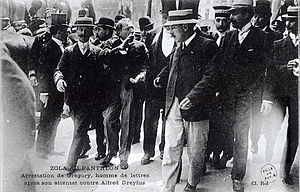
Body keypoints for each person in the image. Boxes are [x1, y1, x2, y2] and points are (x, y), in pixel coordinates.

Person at [155, 9, 218, 192]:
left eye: (172, 28)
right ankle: (168, 188)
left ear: (185, 26)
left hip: (196, 108)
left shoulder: (207, 46)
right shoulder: (178, 45)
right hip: (174, 105)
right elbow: (171, 66)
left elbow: (211, 77)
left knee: (196, 152)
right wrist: (160, 77)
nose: (169, 32)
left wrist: (193, 97)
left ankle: (192, 184)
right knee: (171, 150)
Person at [219, 0, 270, 191]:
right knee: (226, 128)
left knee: (242, 134)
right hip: (226, 94)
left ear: (246, 15)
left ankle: (237, 176)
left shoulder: (262, 38)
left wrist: (262, 95)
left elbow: (265, 70)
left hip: (246, 96)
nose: (230, 17)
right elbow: (220, 66)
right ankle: (225, 155)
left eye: (235, 13)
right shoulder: (228, 37)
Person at [54, 17, 107, 174]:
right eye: (79, 29)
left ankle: (70, 164)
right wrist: (59, 80)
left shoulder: (98, 52)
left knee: (79, 129)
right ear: (75, 31)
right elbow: (58, 70)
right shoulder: (69, 52)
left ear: (92, 31)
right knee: (79, 126)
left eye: (86, 29)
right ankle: (86, 145)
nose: (82, 32)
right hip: (72, 99)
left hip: (91, 100)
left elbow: (103, 77)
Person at [99, 18, 148, 169]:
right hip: (112, 88)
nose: (131, 32)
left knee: (127, 122)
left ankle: (123, 156)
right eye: (128, 29)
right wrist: (120, 47)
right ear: (118, 31)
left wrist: (141, 75)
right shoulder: (109, 45)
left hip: (129, 87)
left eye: (133, 28)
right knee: (108, 119)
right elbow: (102, 56)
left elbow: (145, 66)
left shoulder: (139, 46)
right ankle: (112, 150)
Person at [262, 6, 299, 185]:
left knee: (294, 132)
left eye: (293, 20)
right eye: (288, 19)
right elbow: (271, 70)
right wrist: (288, 68)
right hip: (280, 94)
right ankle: (269, 152)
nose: (288, 23)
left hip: (297, 96)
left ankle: (285, 170)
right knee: (274, 127)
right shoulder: (279, 44)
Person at [140, 0, 176, 165]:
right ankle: (148, 152)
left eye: (170, 17)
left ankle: (163, 149)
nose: (166, 20)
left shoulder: (180, 36)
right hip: (153, 88)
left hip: (171, 87)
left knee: (167, 121)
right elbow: (146, 61)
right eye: (164, 16)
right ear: (161, 15)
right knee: (150, 120)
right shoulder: (152, 35)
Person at [34, 13, 68, 159]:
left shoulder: (59, 46)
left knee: (54, 119)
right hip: (49, 92)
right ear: (59, 31)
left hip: (57, 92)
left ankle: (49, 147)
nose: (67, 33)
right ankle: (41, 149)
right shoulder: (49, 47)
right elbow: (43, 71)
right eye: (64, 30)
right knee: (46, 120)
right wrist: (44, 92)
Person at [207, 4, 234, 170]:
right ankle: (212, 153)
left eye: (224, 20)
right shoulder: (208, 39)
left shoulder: (233, 40)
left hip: (227, 90)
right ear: (214, 21)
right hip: (210, 89)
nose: (221, 23)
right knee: (212, 123)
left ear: (229, 22)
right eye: (218, 20)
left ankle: (225, 153)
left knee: (226, 124)